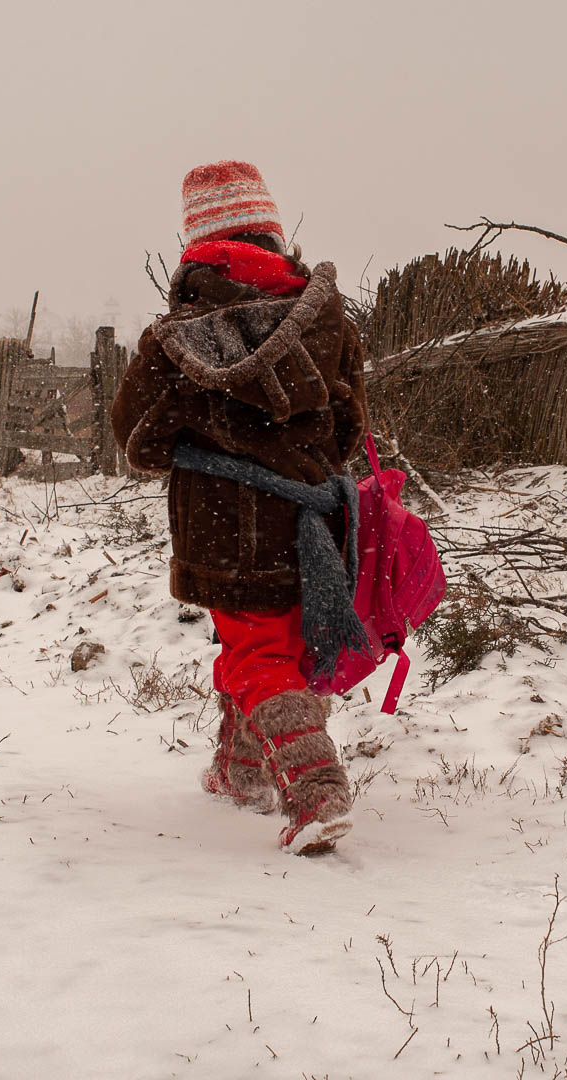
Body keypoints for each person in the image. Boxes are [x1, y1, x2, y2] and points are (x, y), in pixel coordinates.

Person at [109, 161, 369, 854]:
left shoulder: (177, 338)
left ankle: (317, 791)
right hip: (317, 517)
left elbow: (135, 438)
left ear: (196, 247)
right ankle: (241, 770)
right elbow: (349, 428)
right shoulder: (326, 317)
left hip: (226, 524)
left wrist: (203, 428)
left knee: (255, 652)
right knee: (279, 643)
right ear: (274, 235)